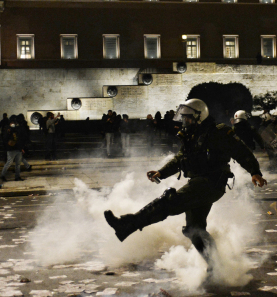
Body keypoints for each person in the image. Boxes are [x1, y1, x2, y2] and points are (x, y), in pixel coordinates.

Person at [104, 99, 267, 272]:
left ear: (199, 116)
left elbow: (241, 151)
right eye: (183, 118)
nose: (184, 121)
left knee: (169, 201)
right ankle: (217, 267)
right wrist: (161, 172)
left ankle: (128, 224)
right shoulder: (192, 134)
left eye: (188, 118)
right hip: (198, 183)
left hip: (210, 182)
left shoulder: (218, 132)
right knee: (194, 229)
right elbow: (180, 159)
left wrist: (254, 171)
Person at [0, 118, 25, 182]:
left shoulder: (17, 129)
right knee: (9, 163)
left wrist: (21, 148)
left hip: (17, 148)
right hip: (11, 149)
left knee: (17, 164)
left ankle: (17, 176)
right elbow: (5, 138)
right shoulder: (8, 130)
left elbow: (20, 138)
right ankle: (2, 175)